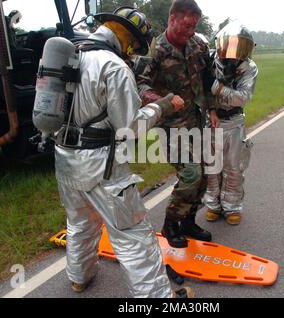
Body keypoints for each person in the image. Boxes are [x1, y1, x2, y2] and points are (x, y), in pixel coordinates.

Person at [54, 6, 193, 298]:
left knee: (80, 222)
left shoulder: (72, 54)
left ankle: (80, 277)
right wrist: (163, 105)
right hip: (102, 165)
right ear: (128, 39)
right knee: (133, 236)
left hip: (65, 159)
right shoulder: (114, 67)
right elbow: (129, 128)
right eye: (133, 45)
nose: (132, 52)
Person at [137, 0, 215, 249]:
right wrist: (165, 101)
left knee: (204, 174)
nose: (190, 32)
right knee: (191, 173)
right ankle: (170, 224)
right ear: (172, 19)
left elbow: (207, 77)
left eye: (194, 26)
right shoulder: (155, 50)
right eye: (186, 26)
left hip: (196, 119)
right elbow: (139, 86)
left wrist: (212, 108)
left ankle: (188, 222)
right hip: (170, 124)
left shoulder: (198, 45)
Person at [204, 23, 258, 225]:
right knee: (211, 167)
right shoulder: (209, 60)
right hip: (210, 121)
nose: (234, 52)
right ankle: (213, 205)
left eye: (239, 46)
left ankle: (232, 207)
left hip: (234, 122)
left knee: (234, 168)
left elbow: (242, 98)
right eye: (231, 45)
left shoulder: (249, 68)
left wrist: (215, 87)